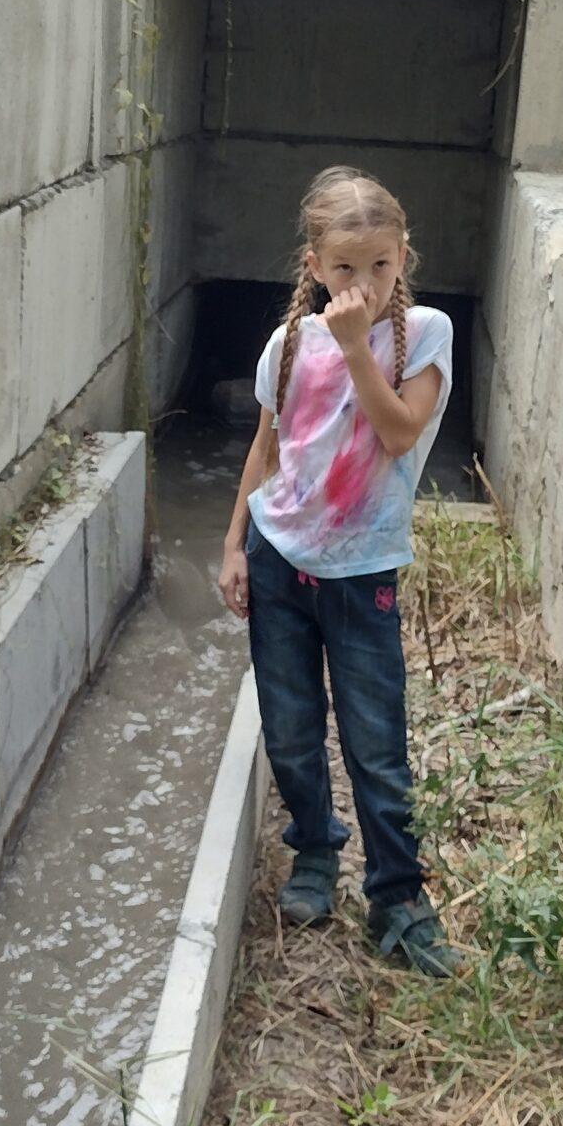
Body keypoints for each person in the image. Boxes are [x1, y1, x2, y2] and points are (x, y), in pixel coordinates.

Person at [218, 165, 463, 979]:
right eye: (346, 268)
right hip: (280, 558)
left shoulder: (423, 334)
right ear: (316, 266)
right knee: (290, 730)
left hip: (364, 575)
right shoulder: (289, 344)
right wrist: (231, 547)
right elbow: (266, 449)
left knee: (375, 743)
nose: (363, 283)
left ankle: (397, 896)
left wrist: (359, 348)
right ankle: (315, 856)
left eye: (381, 266)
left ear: (403, 260)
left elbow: (398, 434)